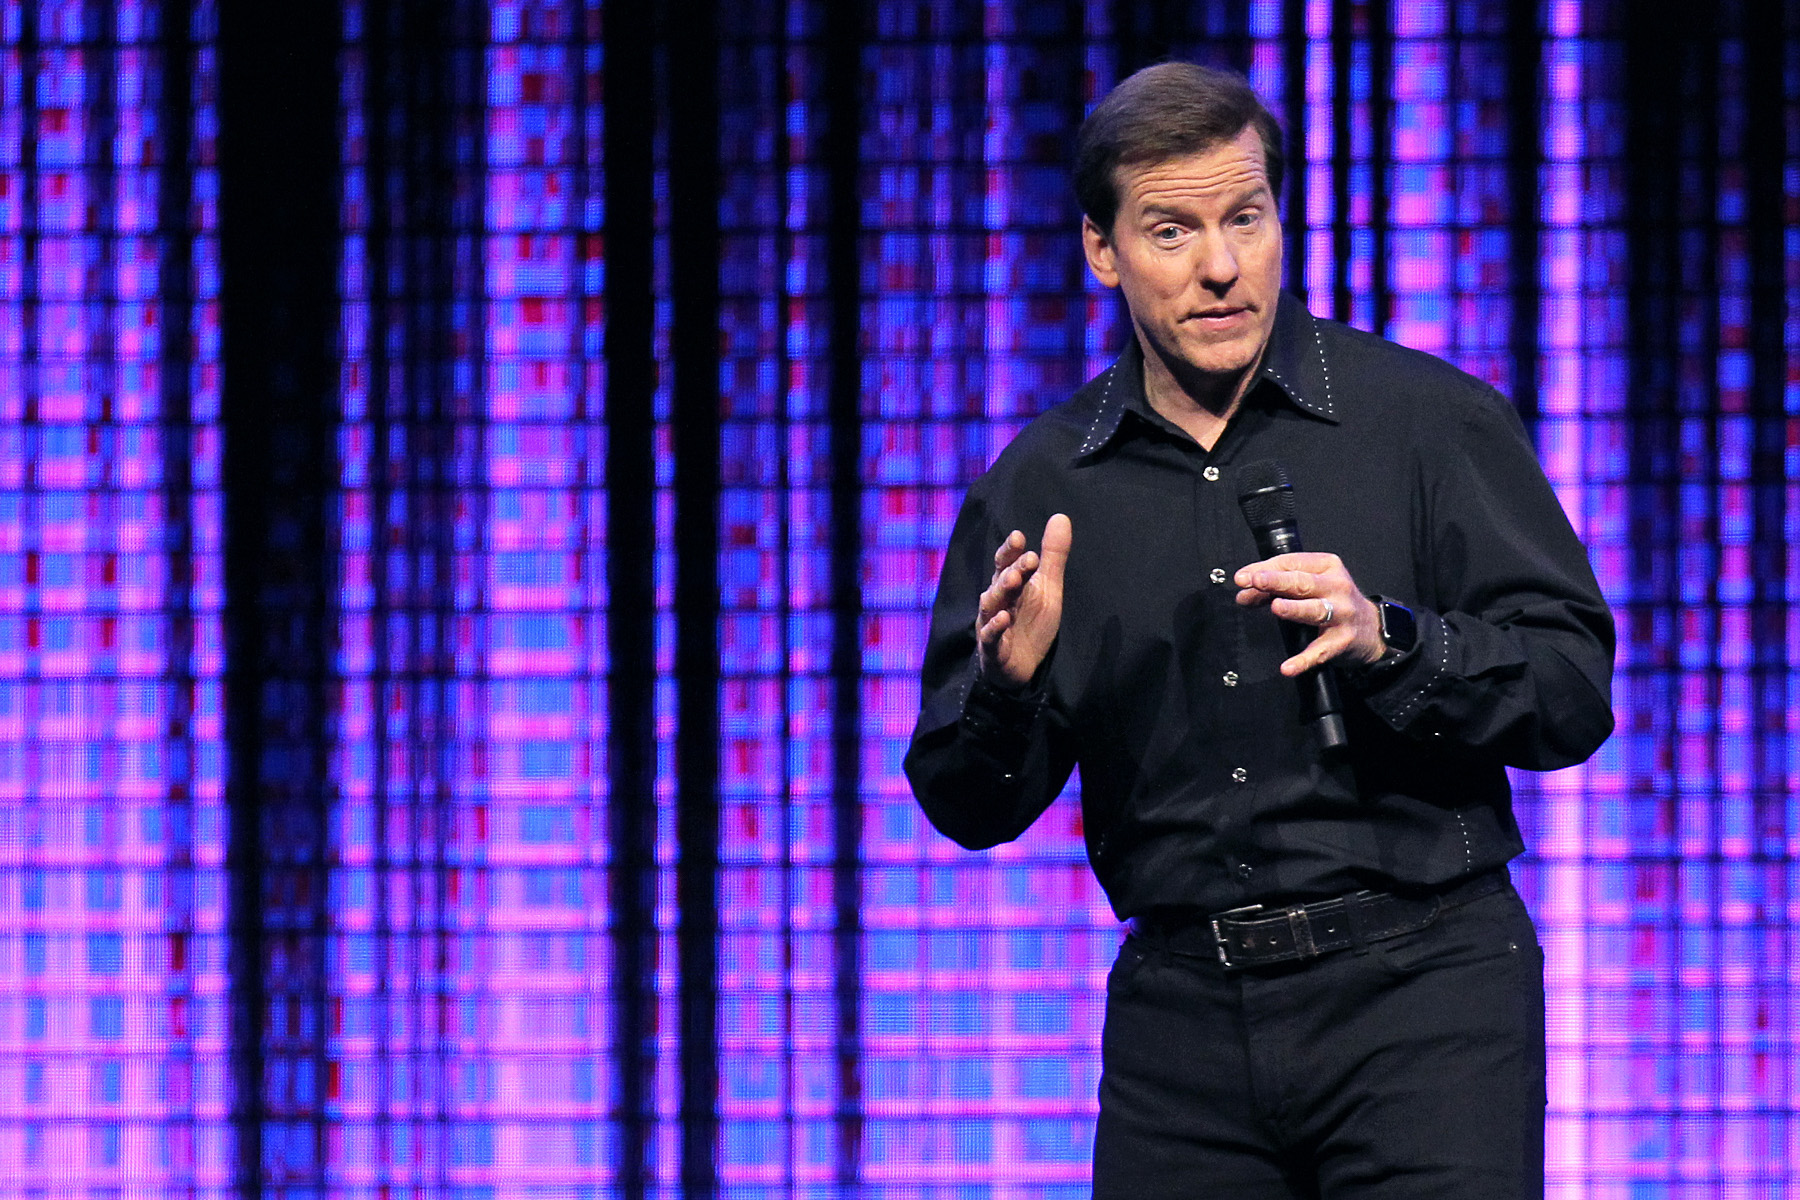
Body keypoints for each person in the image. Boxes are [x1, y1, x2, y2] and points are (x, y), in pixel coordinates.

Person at [903, 62, 1613, 1199]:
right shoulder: (1042, 485)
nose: (1222, 266)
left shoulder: (1426, 422)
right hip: (1181, 1031)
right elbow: (967, 806)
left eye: (1246, 217)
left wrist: (1395, 641)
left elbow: (1572, 690)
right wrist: (1007, 692)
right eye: (1171, 231)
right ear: (1102, 251)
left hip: (1427, 999)